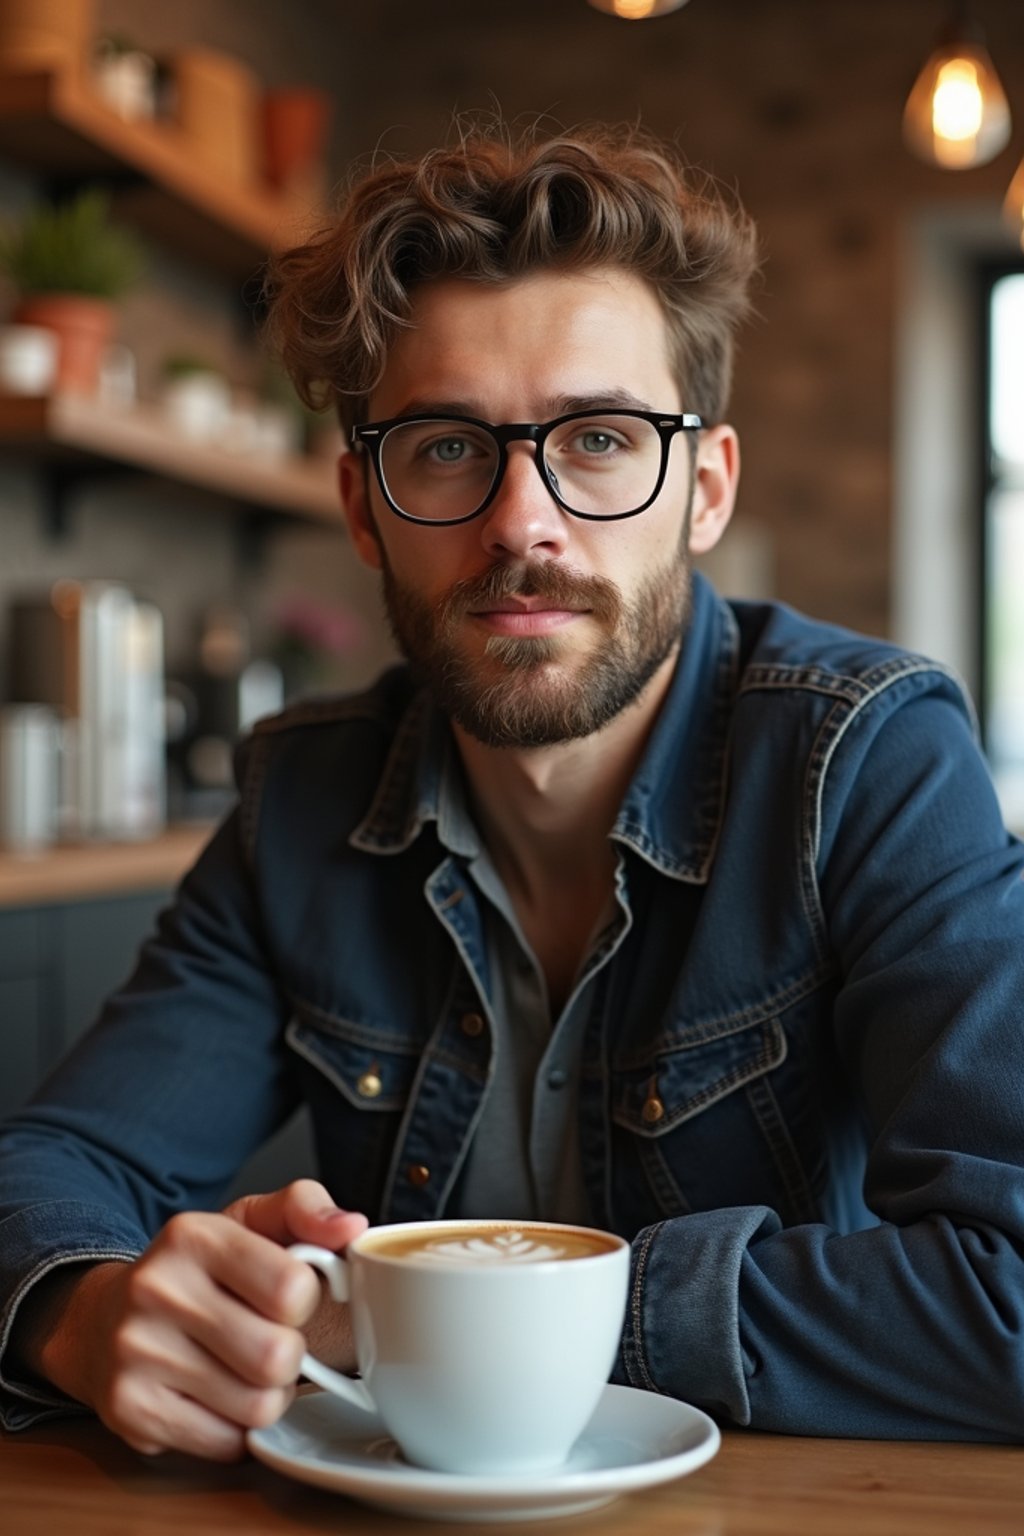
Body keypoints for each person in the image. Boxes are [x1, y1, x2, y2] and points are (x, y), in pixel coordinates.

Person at [1, 122, 1022, 1461]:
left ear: (702, 491)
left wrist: (437, 1318)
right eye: (443, 448)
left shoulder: (868, 761)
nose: (522, 525)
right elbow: (50, 1170)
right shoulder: (303, 801)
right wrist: (87, 1311)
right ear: (362, 509)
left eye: (598, 439)